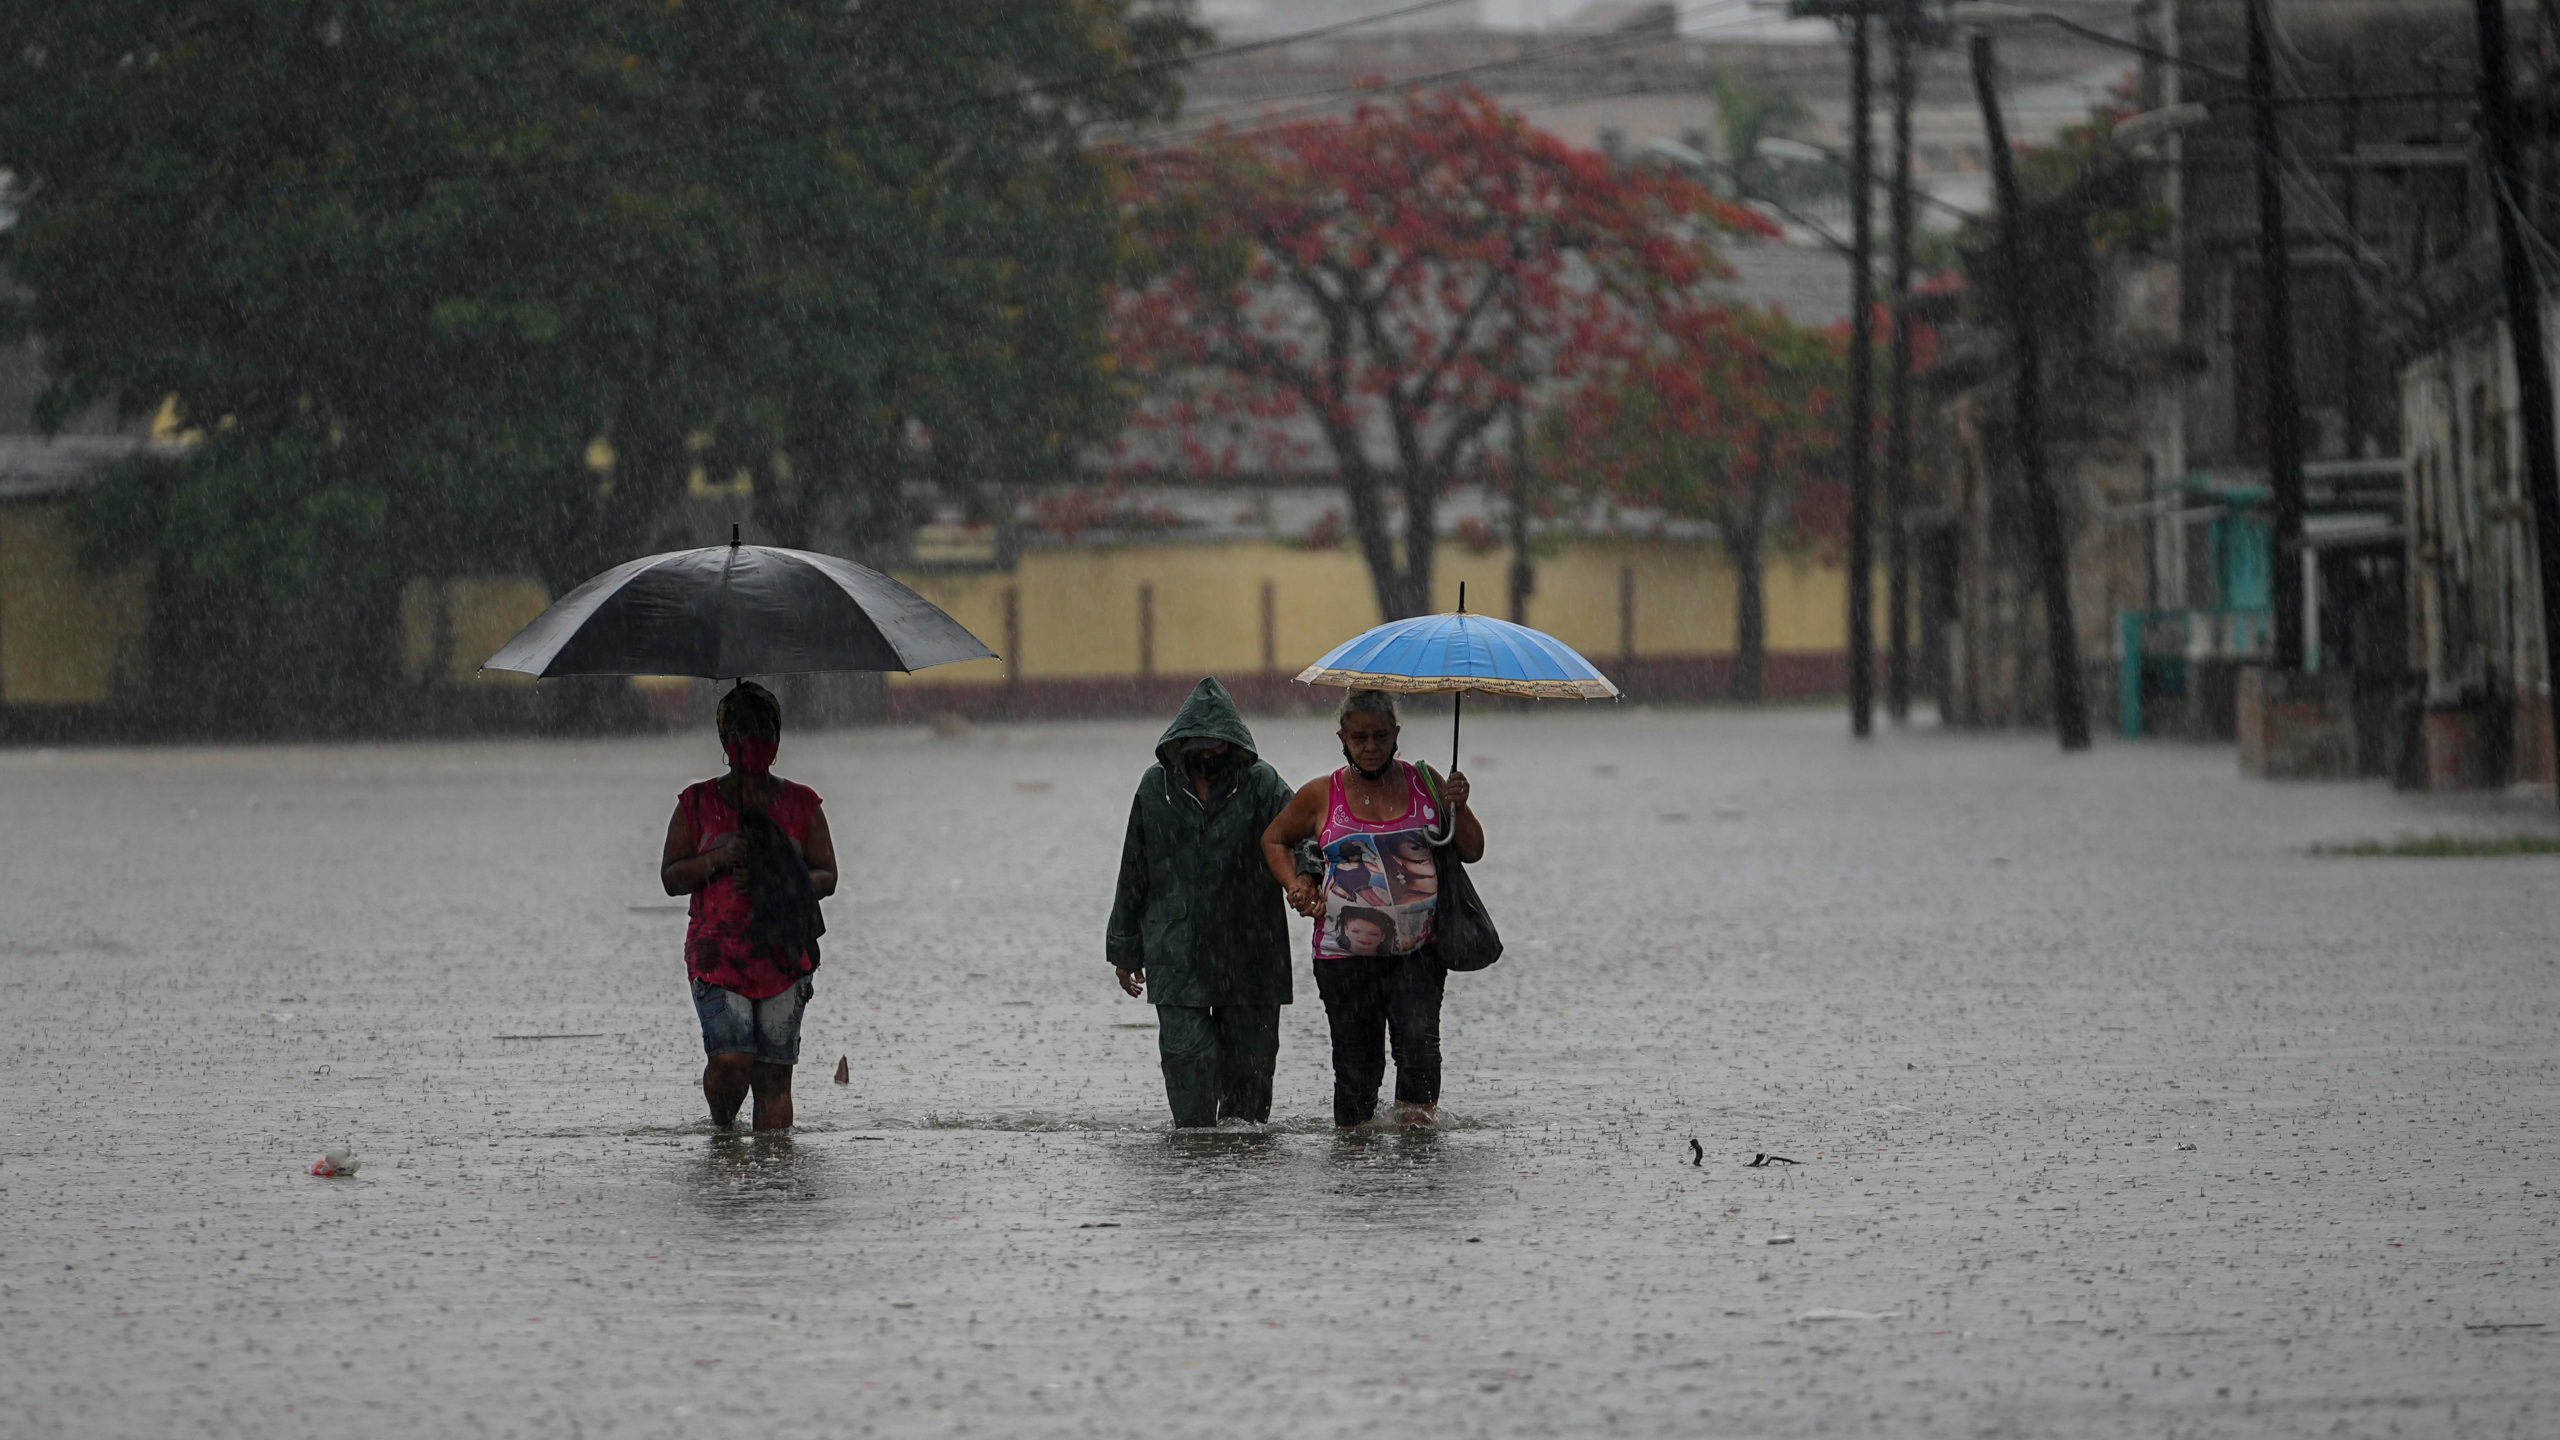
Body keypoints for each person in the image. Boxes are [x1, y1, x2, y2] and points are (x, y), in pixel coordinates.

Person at [1261, 688, 1483, 1128]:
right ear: (1342, 738)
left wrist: (1459, 805)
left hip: (1418, 952)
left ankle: (1417, 1150)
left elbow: (1472, 850)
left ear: (1396, 734)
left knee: (1419, 1048)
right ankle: (1354, 1153)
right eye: (1359, 737)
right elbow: (1274, 839)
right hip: (1343, 957)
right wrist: (1295, 883)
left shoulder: (1426, 783)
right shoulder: (1321, 793)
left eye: (1381, 736)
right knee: (1356, 1062)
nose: (1370, 747)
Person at [1106, 676, 1298, 1128]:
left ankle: (1238, 1162)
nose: (1209, 755)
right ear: (1182, 744)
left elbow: (1302, 832)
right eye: (1200, 745)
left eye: (1218, 746)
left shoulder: (1262, 783)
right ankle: (1195, 1157)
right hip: (1177, 952)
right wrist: (1124, 951)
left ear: (1233, 744)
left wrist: (1307, 878)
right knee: (1187, 1070)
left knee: (1249, 1089)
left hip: (1252, 952)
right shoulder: (1155, 788)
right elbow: (1133, 869)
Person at [658, 682, 837, 1131]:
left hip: (783, 954)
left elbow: (827, 876)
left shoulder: (802, 804)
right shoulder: (696, 803)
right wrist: (718, 859)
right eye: (742, 731)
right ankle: (723, 1136)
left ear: (777, 740)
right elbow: (672, 878)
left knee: (774, 1076)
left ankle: (773, 1169)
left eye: (763, 731)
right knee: (731, 1060)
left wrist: (775, 880)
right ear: (725, 741)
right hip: (717, 956)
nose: (754, 741)